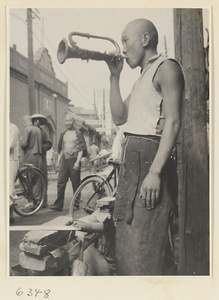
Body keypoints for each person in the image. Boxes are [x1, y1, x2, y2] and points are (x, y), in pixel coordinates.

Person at [106, 19, 185, 275]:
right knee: (130, 242)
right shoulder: (141, 79)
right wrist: (114, 77)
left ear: (145, 39)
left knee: (146, 244)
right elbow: (119, 117)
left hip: (151, 163)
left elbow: (173, 122)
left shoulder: (166, 68)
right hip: (134, 165)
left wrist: (155, 172)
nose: (123, 49)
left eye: (125, 40)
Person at [50, 113, 87, 211]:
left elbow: (81, 149)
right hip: (65, 161)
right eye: (66, 121)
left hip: (74, 160)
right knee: (61, 182)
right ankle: (58, 205)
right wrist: (58, 161)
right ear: (64, 122)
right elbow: (62, 149)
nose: (68, 123)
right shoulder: (63, 134)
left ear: (73, 122)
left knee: (75, 183)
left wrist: (77, 162)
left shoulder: (78, 133)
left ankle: (76, 204)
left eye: (70, 121)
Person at [20, 115, 43, 210]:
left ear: (25, 122)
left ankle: (30, 201)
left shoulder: (27, 129)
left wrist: (21, 141)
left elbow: (24, 144)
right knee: (36, 179)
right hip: (39, 156)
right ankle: (36, 200)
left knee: (24, 177)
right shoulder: (38, 129)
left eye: (23, 122)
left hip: (30, 155)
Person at [31, 114, 52, 208]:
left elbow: (49, 143)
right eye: (34, 121)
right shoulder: (31, 131)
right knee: (33, 178)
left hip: (42, 158)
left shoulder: (43, 132)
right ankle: (34, 200)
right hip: (33, 158)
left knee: (42, 178)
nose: (36, 122)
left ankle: (43, 201)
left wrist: (42, 148)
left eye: (37, 121)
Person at [9, 122, 20, 223]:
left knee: (9, 188)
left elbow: (10, 145)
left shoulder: (12, 127)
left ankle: (10, 214)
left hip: (10, 160)